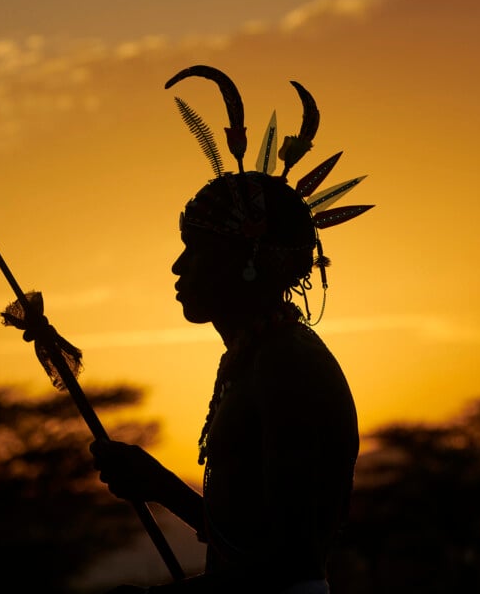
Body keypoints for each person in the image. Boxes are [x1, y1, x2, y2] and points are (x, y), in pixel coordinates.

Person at [89, 66, 372, 593]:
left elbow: (286, 563)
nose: (178, 267)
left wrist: (160, 488)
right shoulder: (258, 355)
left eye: (196, 250)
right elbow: (252, 554)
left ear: (248, 261)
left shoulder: (287, 367)